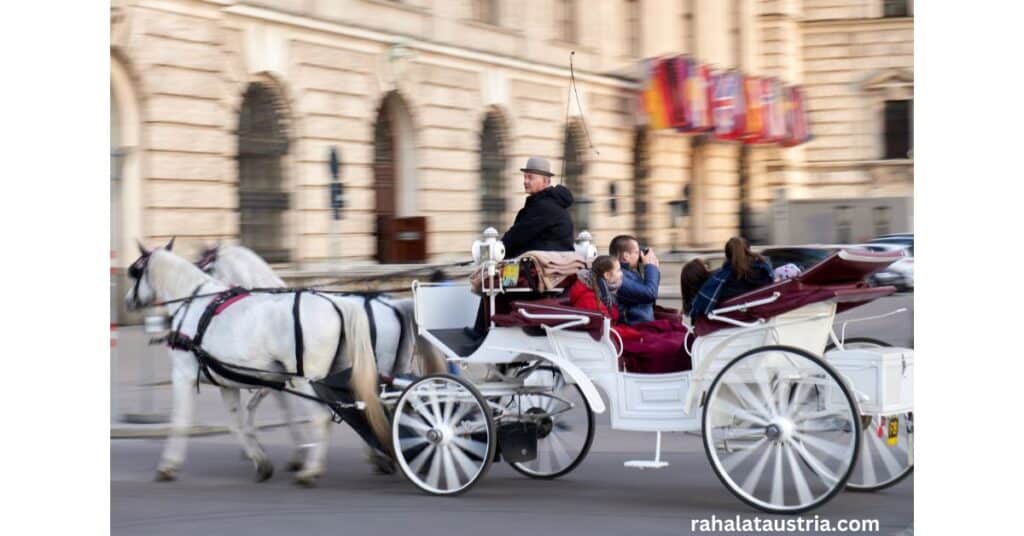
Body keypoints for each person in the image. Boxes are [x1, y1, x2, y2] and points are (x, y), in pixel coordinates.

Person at [569, 256, 690, 373]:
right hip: (612, 340)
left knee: (668, 329)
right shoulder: (589, 299)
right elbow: (604, 331)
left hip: (618, 333)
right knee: (664, 346)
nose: (621, 274)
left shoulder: (604, 291)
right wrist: (635, 334)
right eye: (618, 270)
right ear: (607, 275)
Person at [500, 156, 575, 259]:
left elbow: (517, 236)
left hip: (540, 268)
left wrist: (498, 249)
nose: (525, 181)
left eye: (530, 177)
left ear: (545, 181)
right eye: (525, 177)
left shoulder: (544, 207)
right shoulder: (550, 203)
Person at [689, 237, 774, 320]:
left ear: (727, 255)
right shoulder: (765, 272)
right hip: (759, 317)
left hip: (731, 321)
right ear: (748, 250)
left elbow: (699, 307)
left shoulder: (721, 279)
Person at [609, 235, 661, 324]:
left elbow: (652, 289)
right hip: (636, 329)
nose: (639, 256)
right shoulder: (617, 277)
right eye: (637, 252)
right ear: (626, 256)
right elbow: (650, 294)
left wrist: (653, 268)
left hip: (643, 326)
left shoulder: (630, 273)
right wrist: (651, 267)